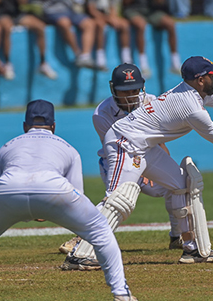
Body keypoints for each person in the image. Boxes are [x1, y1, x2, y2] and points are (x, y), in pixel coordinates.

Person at [67, 56, 213, 266]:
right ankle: (80, 254)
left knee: (181, 186)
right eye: (212, 74)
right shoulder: (192, 108)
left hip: (145, 146)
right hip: (123, 142)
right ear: (201, 80)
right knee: (118, 200)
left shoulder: (200, 92)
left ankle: (191, 249)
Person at [0, 99, 147, 301]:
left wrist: (26, 208)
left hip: (8, 190)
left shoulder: (6, 147)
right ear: (54, 126)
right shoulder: (68, 148)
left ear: (24, 125)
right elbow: (77, 194)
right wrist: (48, 208)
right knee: (101, 230)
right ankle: (122, 297)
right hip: (54, 189)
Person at [59, 63, 186, 267]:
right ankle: (81, 239)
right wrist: (139, 169)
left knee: (180, 183)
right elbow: (116, 150)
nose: (131, 95)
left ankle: (177, 236)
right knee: (118, 199)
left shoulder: (152, 102)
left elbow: (159, 142)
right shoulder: (102, 113)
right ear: (113, 89)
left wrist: (152, 165)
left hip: (149, 155)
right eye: (124, 91)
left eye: (135, 90)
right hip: (115, 160)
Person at [121, 0, 182, 76]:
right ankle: (143, 64)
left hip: (151, 11)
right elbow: (126, 1)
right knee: (141, 25)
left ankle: (175, 61)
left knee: (170, 24)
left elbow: (160, 1)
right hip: (133, 10)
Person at [86, 0, 131, 71]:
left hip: (108, 15)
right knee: (101, 25)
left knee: (124, 25)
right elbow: (91, 9)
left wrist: (113, 18)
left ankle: (126, 57)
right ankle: (100, 57)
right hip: (96, 16)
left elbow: (113, 8)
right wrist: (106, 18)